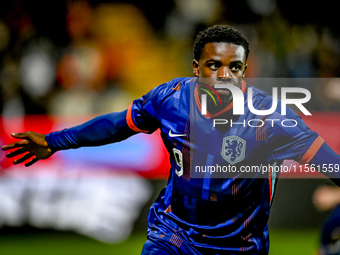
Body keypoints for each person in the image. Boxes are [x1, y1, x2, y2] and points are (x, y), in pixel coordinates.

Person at [2, 25, 340, 255]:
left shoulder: (274, 121)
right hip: (174, 235)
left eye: (235, 67)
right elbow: (117, 125)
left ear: (245, 69)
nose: (224, 76)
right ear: (196, 68)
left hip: (240, 247)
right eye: (213, 65)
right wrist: (54, 141)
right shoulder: (171, 99)